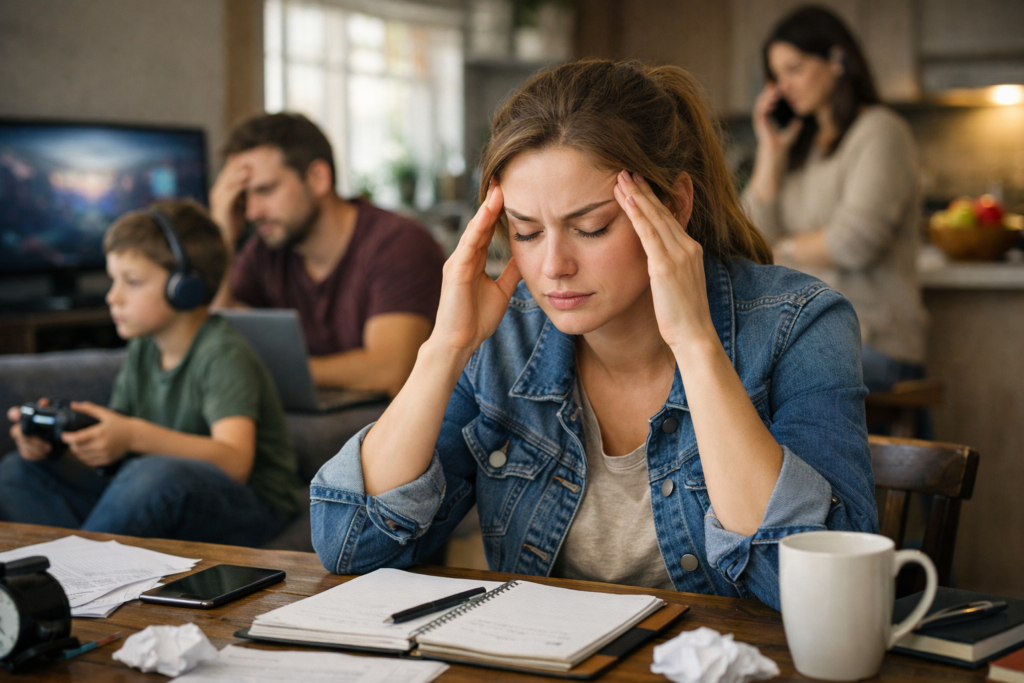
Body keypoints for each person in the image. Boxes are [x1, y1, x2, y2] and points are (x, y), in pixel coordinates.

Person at [309, 59, 879, 610]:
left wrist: (696, 346)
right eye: (527, 233)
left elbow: (818, 589)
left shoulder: (800, 324)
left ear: (675, 205)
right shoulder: (504, 342)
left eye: (590, 227)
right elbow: (349, 545)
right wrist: (446, 348)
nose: (554, 265)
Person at [0, 200, 302, 547]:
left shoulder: (222, 352)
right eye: (113, 280)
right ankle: (69, 566)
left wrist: (133, 436)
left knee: (153, 473)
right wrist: (61, 445)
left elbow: (235, 462)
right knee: (17, 472)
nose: (113, 297)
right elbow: (119, 459)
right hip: (154, 485)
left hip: (251, 505)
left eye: (132, 282)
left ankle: (82, 571)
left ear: (183, 287)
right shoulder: (144, 348)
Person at [743, 6, 927, 393]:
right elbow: (749, 239)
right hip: (806, 332)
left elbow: (853, 241)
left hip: (872, 337)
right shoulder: (800, 151)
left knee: (752, 378)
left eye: (794, 69)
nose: (784, 85)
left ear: (837, 59)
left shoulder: (880, 131)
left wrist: (781, 249)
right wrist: (770, 152)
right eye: (776, 76)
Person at [210, 113, 446, 397]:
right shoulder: (264, 251)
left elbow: (390, 370)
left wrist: (265, 369)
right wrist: (223, 236)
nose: (251, 212)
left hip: (388, 424)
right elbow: (216, 334)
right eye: (243, 197)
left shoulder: (399, 244)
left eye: (265, 190)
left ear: (318, 178)